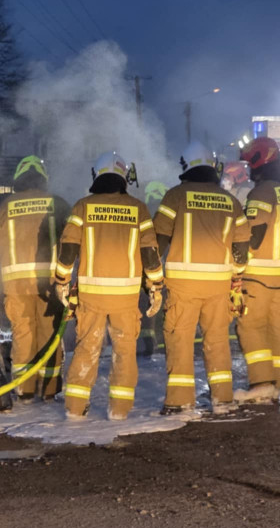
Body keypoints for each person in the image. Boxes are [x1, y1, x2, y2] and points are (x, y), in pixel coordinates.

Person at [54, 152, 164, 420]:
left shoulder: (83, 206)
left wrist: (62, 281)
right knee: (124, 352)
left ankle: (75, 409)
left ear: (97, 175)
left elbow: (68, 247)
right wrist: (155, 286)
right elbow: (150, 252)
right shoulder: (138, 208)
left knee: (87, 349)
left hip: (91, 296)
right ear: (124, 177)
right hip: (125, 297)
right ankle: (119, 411)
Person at [153, 142, 250, 415]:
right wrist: (236, 277)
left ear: (186, 165)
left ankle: (179, 401)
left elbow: (158, 239)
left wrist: (151, 276)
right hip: (218, 285)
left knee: (179, 340)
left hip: (182, 285)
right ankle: (223, 398)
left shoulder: (175, 196)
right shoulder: (229, 201)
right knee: (217, 341)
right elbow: (242, 246)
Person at [0, 156, 70, 401]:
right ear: (43, 178)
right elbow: (72, 239)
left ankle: (24, 390)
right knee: (50, 336)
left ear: (18, 178)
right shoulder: (57, 203)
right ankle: (49, 389)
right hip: (51, 284)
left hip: (15, 285)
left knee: (23, 336)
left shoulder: (5, 206)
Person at [234, 137, 280, 403]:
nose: (248, 168)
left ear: (258, 161)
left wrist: (237, 265)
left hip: (258, 276)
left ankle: (261, 383)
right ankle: (276, 384)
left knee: (250, 326)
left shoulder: (260, 193)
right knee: (277, 328)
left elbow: (254, 234)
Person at [139, 180, 170, 355]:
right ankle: (157, 342)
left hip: (147, 268)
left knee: (147, 305)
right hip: (163, 268)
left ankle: (148, 343)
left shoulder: (146, 212)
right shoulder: (165, 213)